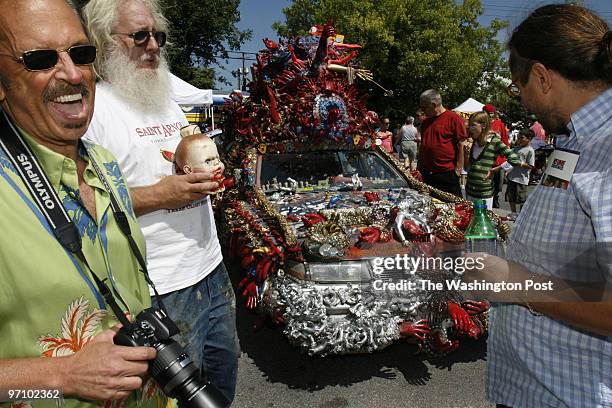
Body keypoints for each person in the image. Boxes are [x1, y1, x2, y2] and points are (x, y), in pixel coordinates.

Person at [0, 0, 162, 405]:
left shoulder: (103, 162)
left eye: (81, 53)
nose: (72, 74)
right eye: (40, 59)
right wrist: (61, 376)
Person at [82, 0, 239, 402]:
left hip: (213, 273)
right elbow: (84, 206)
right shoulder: (95, 112)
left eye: (158, 35)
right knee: (179, 400)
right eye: (139, 35)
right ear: (105, 43)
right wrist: (161, 195)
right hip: (160, 290)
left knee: (222, 388)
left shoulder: (165, 97)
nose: (153, 45)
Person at [463, 4, 612, 408]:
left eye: (519, 86)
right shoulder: (575, 138)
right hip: (538, 388)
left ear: (543, 77)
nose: (523, 100)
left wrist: (515, 283)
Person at [464, 111, 521, 210]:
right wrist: (466, 154)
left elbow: (515, 159)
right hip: (470, 191)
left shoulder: (494, 142)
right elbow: (467, 168)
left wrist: (494, 170)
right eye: (469, 126)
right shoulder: (472, 142)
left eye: (473, 125)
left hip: (484, 193)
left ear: (483, 126)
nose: (470, 129)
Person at [418, 89, 467, 197]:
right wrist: (419, 167)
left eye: (424, 107)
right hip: (427, 173)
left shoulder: (453, 118)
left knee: (453, 207)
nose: (422, 110)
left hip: (447, 173)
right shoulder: (425, 122)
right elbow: (423, 145)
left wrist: (458, 170)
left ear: (434, 105)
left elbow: (461, 145)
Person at [483, 104, 509, 208]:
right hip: (486, 158)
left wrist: (506, 156)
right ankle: (488, 198)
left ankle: (496, 198)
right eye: (487, 114)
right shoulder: (482, 125)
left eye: (491, 114)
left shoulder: (499, 124)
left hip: (499, 159)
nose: (489, 116)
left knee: (499, 182)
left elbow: (505, 140)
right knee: (487, 181)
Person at [505, 128, 535, 219]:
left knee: (522, 198)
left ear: (529, 138)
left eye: (522, 138)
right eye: (518, 138)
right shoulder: (516, 148)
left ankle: (522, 215)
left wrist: (521, 163)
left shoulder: (530, 150)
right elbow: (510, 161)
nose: (519, 140)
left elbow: (531, 165)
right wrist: (508, 170)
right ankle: (513, 213)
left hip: (521, 178)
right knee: (511, 196)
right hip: (512, 176)